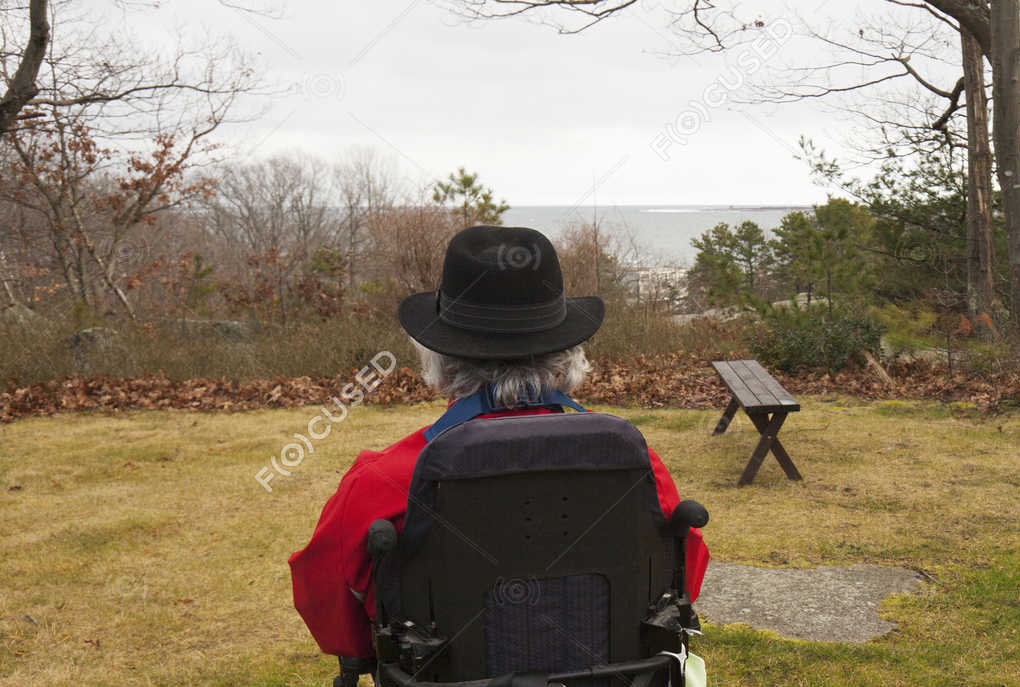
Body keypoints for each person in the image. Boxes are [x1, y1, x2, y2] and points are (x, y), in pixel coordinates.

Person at [290, 225, 708, 659]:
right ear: (568, 356)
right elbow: (679, 584)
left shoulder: (381, 485)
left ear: (441, 360)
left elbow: (336, 626)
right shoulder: (635, 467)